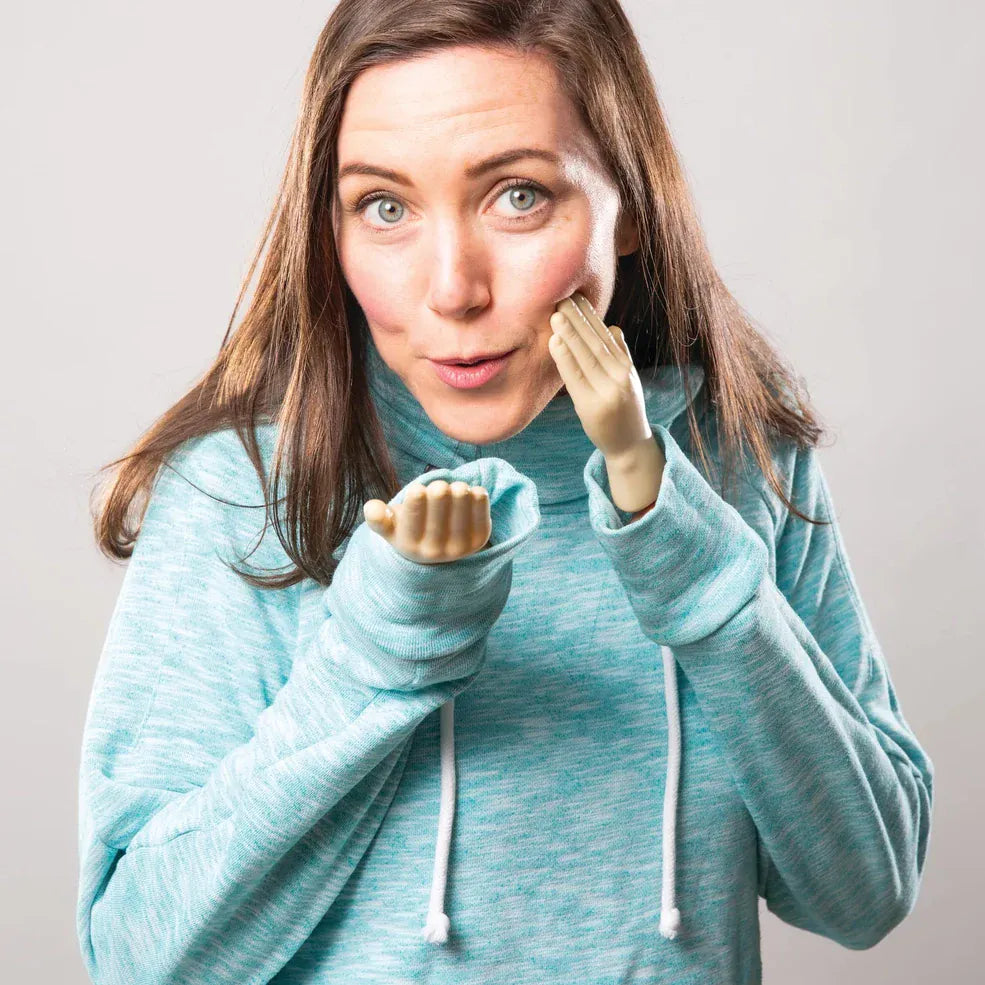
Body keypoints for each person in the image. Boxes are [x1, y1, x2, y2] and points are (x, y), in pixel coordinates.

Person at [76, 1, 934, 983]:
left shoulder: (739, 461)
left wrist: (677, 537)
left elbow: (864, 894)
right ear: (332, 229)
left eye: (516, 195)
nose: (452, 288)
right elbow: (142, 959)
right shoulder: (246, 492)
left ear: (631, 207)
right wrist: (379, 652)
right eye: (385, 207)